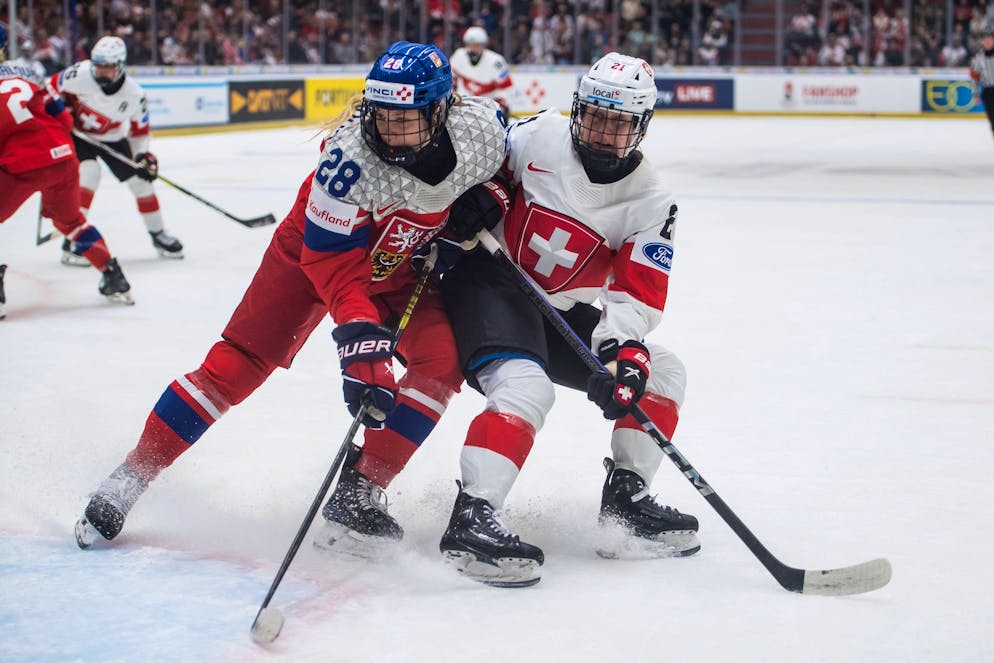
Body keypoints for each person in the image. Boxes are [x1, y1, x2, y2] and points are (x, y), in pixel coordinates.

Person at [73, 41, 509, 552]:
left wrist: (492, 197)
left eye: (405, 118)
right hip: (310, 256)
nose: (388, 129)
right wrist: (359, 337)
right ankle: (133, 473)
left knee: (441, 361)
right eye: (381, 114)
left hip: (399, 261)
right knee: (237, 364)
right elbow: (331, 262)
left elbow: (511, 171)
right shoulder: (347, 159)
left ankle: (361, 491)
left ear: (440, 112)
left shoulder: (483, 129)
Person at [326, 52, 699, 587]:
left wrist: (623, 355)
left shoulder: (652, 200)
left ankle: (627, 503)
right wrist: (490, 194)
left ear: (641, 127)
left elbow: (635, 291)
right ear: (577, 109)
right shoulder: (539, 135)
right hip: (486, 278)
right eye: (594, 115)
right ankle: (473, 516)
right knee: (525, 387)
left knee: (662, 372)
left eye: (618, 124)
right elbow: (481, 164)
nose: (601, 132)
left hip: (557, 309)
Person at [1, 24, 132, 317]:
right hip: (63, 159)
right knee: (71, 221)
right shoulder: (27, 73)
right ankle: (113, 274)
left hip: (21, 164)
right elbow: (65, 121)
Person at [49, 36, 184, 265]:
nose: (101, 71)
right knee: (89, 174)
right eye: (98, 65)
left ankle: (158, 234)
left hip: (113, 138)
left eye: (108, 67)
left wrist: (142, 156)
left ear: (120, 67)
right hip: (78, 136)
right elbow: (50, 88)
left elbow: (140, 132)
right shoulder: (79, 74)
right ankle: (73, 242)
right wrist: (60, 111)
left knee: (142, 183)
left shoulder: (134, 95)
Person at [450, 27, 514, 120]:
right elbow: (451, 79)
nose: (472, 49)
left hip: (488, 109)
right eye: (470, 45)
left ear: (483, 45)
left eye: (476, 45)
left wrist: (501, 104)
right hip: (463, 107)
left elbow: (506, 87)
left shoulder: (496, 61)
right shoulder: (458, 56)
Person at [970, 29, 994, 141]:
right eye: (986, 40)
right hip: (988, 92)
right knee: (992, 118)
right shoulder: (978, 58)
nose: (988, 42)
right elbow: (974, 77)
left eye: (990, 40)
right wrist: (975, 94)